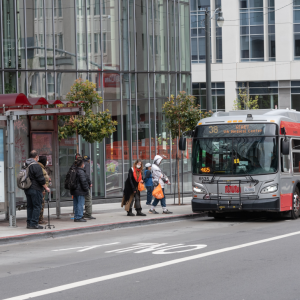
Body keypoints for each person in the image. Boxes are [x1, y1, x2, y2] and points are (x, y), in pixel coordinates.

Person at [25, 150, 50, 229]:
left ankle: (29, 223)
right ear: (36, 157)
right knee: (37, 206)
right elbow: (40, 178)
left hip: (27, 188)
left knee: (30, 206)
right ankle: (34, 223)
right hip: (35, 188)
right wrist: (46, 187)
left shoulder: (26, 164)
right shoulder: (35, 165)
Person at [38, 156, 50, 225]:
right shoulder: (40, 168)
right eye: (46, 160)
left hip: (43, 189)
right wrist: (44, 188)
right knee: (41, 204)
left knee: (42, 204)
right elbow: (41, 179)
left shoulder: (42, 168)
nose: (47, 162)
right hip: (41, 189)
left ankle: (40, 218)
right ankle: (39, 219)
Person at [83, 155, 95, 220]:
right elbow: (87, 175)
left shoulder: (81, 164)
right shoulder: (87, 165)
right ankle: (88, 214)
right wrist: (90, 182)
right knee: (88, 199)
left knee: (82, 200)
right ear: (89, 160)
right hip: (85, 184)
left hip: (80, 185)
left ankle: (81, 213)